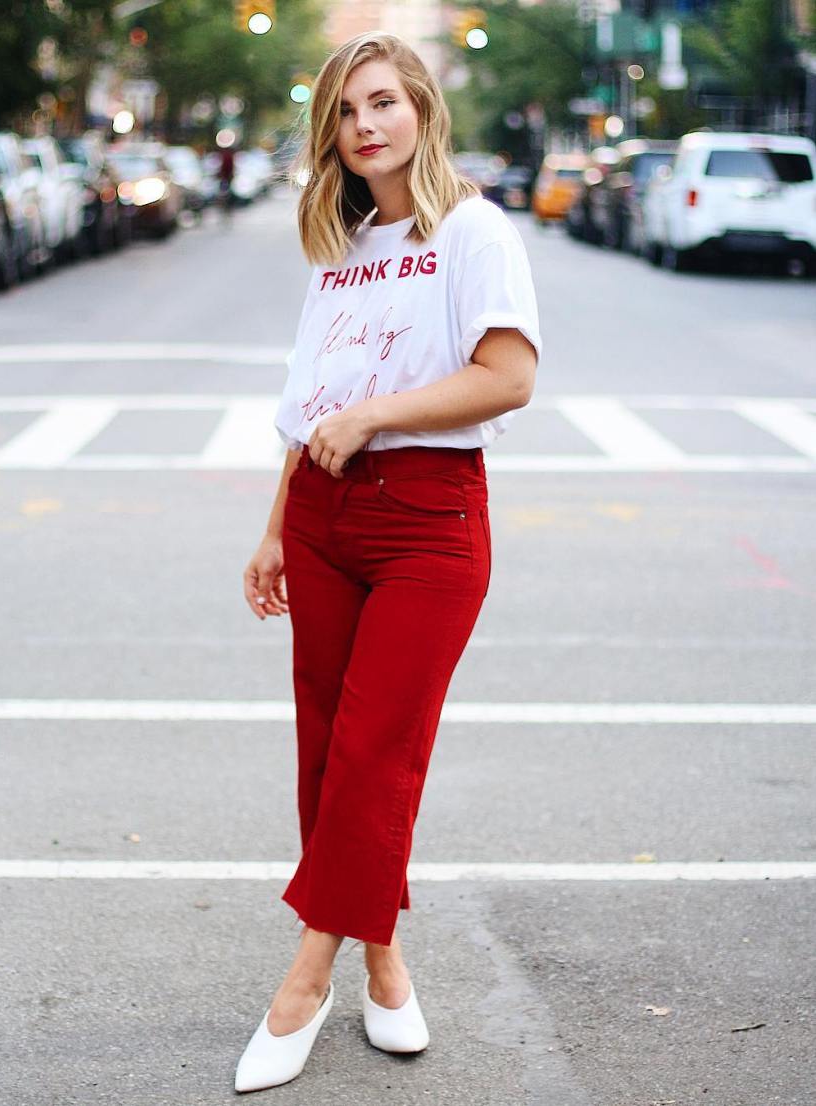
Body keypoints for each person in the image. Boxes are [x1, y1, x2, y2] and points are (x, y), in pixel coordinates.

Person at [235, 30, 541, 1093]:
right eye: (346, 113)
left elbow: (506, 376)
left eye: (382, 102)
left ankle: (305, 976)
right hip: (321, 513)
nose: (365, 125)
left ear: (420, 104)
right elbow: (309, 409)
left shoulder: (474, 230)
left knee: (377, 744)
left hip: (428, 519)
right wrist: (276, 524)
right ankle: (384, 955)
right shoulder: (343, 245)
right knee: (328, 746)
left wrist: (375, 416)